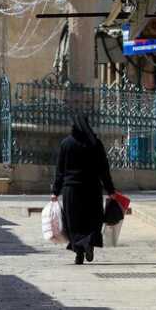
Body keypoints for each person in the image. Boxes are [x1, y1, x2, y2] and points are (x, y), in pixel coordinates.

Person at [51, 113, 116, 265]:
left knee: (74, 222)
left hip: (71, 190)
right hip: (92, 189)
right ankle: (88, 243)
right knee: (93, 219)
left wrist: (55, 191)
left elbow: (60, 170)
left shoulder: (66, 144)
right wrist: (110, 190)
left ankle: (79, 254)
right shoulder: (95, 143)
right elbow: (103, 169)